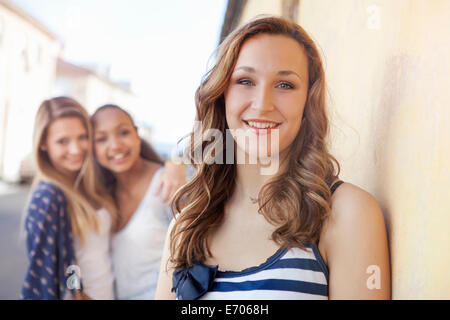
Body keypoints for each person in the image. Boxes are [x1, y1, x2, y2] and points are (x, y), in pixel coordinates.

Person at [155, 16, 391, 300]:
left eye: (284, 85)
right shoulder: (187, 224)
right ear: (221, 95)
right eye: (245, 80)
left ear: (308, 102)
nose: (262, 104)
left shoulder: (346, 213)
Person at [21, 97, 117, 300]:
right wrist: (76, 290)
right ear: (43, 144)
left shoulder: (93, 181)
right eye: (63, 141)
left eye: (82, 137)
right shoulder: (48, 196)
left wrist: (175, 163)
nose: (76, 149)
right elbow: (44, 274)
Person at [91, 104, 185, 299]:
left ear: (137, 135)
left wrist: (179, 164)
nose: (115, 145)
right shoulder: (102, 194)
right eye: (101, 139)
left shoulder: (167, 184)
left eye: (123, 132)